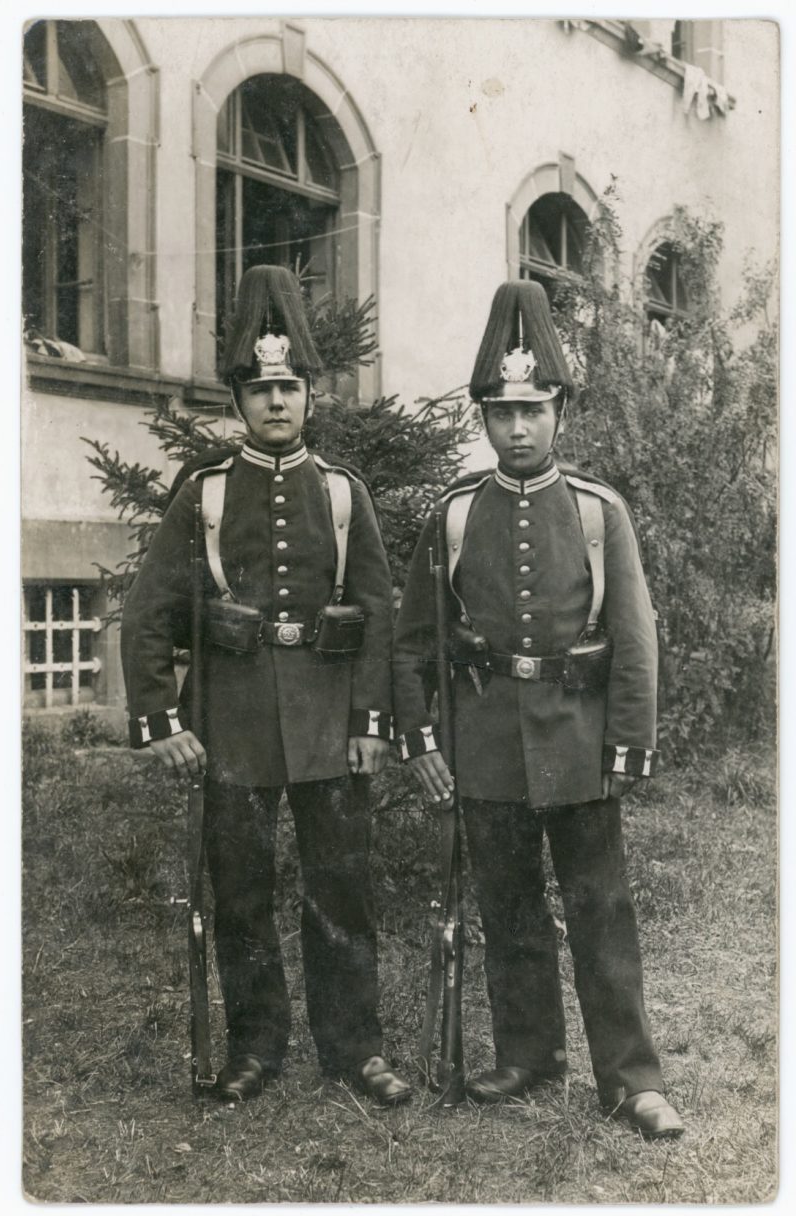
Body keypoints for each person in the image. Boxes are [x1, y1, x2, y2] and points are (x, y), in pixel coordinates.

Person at [392, 280, 683, 1137]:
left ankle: (631, 1078)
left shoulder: (599, 513)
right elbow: (412, 641)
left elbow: (635, 643)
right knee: (509, 904)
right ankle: (528, 1054)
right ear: (482, 416)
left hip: (580, 743)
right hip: (486, 743)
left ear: (561, 411)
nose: (518, 428)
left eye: (534, 408)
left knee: (601, 910)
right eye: (501, 411)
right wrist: (418, 740)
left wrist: (628, 748)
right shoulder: (452, 517)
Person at [121, 265, 411, 1107]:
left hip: (330, 725)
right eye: (259, 388)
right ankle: (255, 1045)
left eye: (289, 386)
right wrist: (159, 722)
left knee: (341, 889)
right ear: (238, 400)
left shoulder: (342, 493)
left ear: (311, 395)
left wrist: (370, 721)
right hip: (233, 726)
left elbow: (379, 616)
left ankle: (354, 1048)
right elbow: (148, 617)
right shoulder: (206, 494)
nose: (275, 402)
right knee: (242, 893)